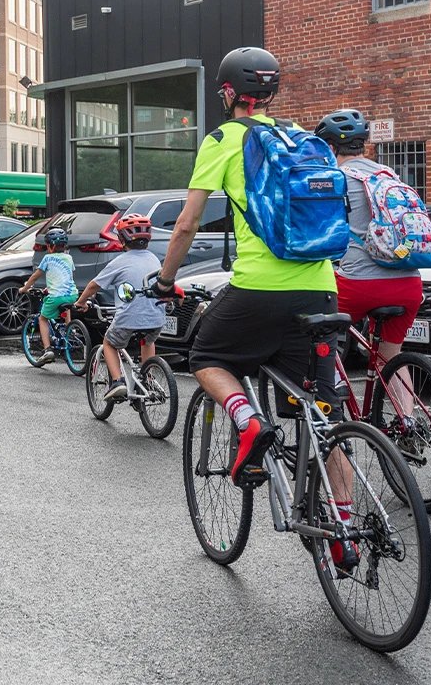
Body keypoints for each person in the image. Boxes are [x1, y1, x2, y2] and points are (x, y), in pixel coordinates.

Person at [153, 48, 358, 574]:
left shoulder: (224, 139)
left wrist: (166, 279)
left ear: (227, 93)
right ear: (271, 93)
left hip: (258, 289)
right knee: (322, 413)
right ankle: (347, 529)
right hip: (321, 289)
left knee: (205, 355)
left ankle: (246, 422)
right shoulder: (304, 141)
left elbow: (185, 225)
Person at [314, 110, 424, 369]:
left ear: (330, 148)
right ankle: (406, 412)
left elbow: (319, 234)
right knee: (390, 356)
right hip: (409, 284)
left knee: (307, 334)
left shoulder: (334, 178)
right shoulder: (388, 174)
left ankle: (332, 391)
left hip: (359, 285)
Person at [74, 214, 164, 401]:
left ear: (122, 238)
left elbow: (93, 285)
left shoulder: (119, 262)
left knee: (109, 343)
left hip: (129, 318)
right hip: (156, 318)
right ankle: (147, 378)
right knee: (147, 341)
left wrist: (81, 302)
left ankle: (117, 381)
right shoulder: (154, 259)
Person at [19, 227, 78, 366]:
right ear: (65, 246)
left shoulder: (48, 258)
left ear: (50, 247)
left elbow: (35, 276)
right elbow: (70, 276)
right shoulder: (69, 258)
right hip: (72, 294)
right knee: (66, 306)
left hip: (56, 296)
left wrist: (25, 288)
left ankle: (47, 350)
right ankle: (70, 329)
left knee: (42, 318)